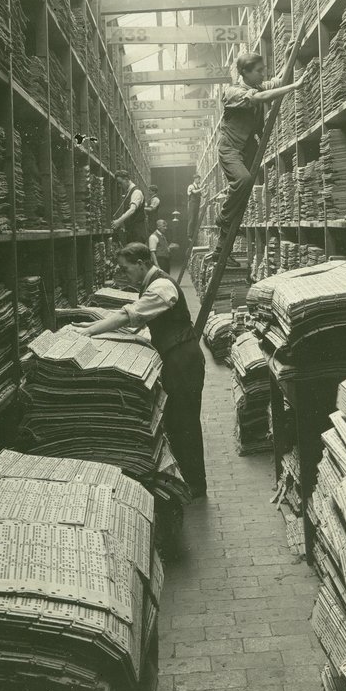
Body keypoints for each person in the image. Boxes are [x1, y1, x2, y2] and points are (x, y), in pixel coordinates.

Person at [76, 243, 207, 498]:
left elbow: (130, 314)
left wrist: (90, 330)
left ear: (141, 264)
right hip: (176, 357)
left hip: (183, 360)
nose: (125, 275)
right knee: (178, 422)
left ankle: (196, 486)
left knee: (185, 423)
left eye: (126, 270)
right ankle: (188, 482)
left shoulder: (161, 286)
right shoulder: (152, 284)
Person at [216, 44, 303, 249]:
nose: (263, 74)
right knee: (244, 181)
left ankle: (223, 245)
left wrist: (287, 55)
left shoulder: (255, 85)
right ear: (245, 72)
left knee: (244, 190)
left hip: (247, 148)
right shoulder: (233, 92)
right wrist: (293, 87)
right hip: (230, 149)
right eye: (259, 71)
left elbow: (278, 81)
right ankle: (223, 219)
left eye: (263, 69)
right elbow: (258, 98)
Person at [111, 169, 148, 244]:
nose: (119, 186)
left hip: (137, 233)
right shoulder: (129, 192)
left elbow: (132, 210)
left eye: (120, 183)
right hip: (132, 232)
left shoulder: (136, 192)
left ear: (126, 179)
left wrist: (118, 221)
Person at [186, 173, 203, 247]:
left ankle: (194, 235)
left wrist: (206, 191)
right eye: (198, 179)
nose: (199, 180)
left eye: (199, 179)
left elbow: (203, 195)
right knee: (192, 219)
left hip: (197, 205)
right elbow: (195, 192)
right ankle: (189, 235)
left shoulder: (198, 187)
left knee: (195, 219)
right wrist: (203, 188)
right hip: (192, 204)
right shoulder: (191, 186)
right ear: (195, 179)